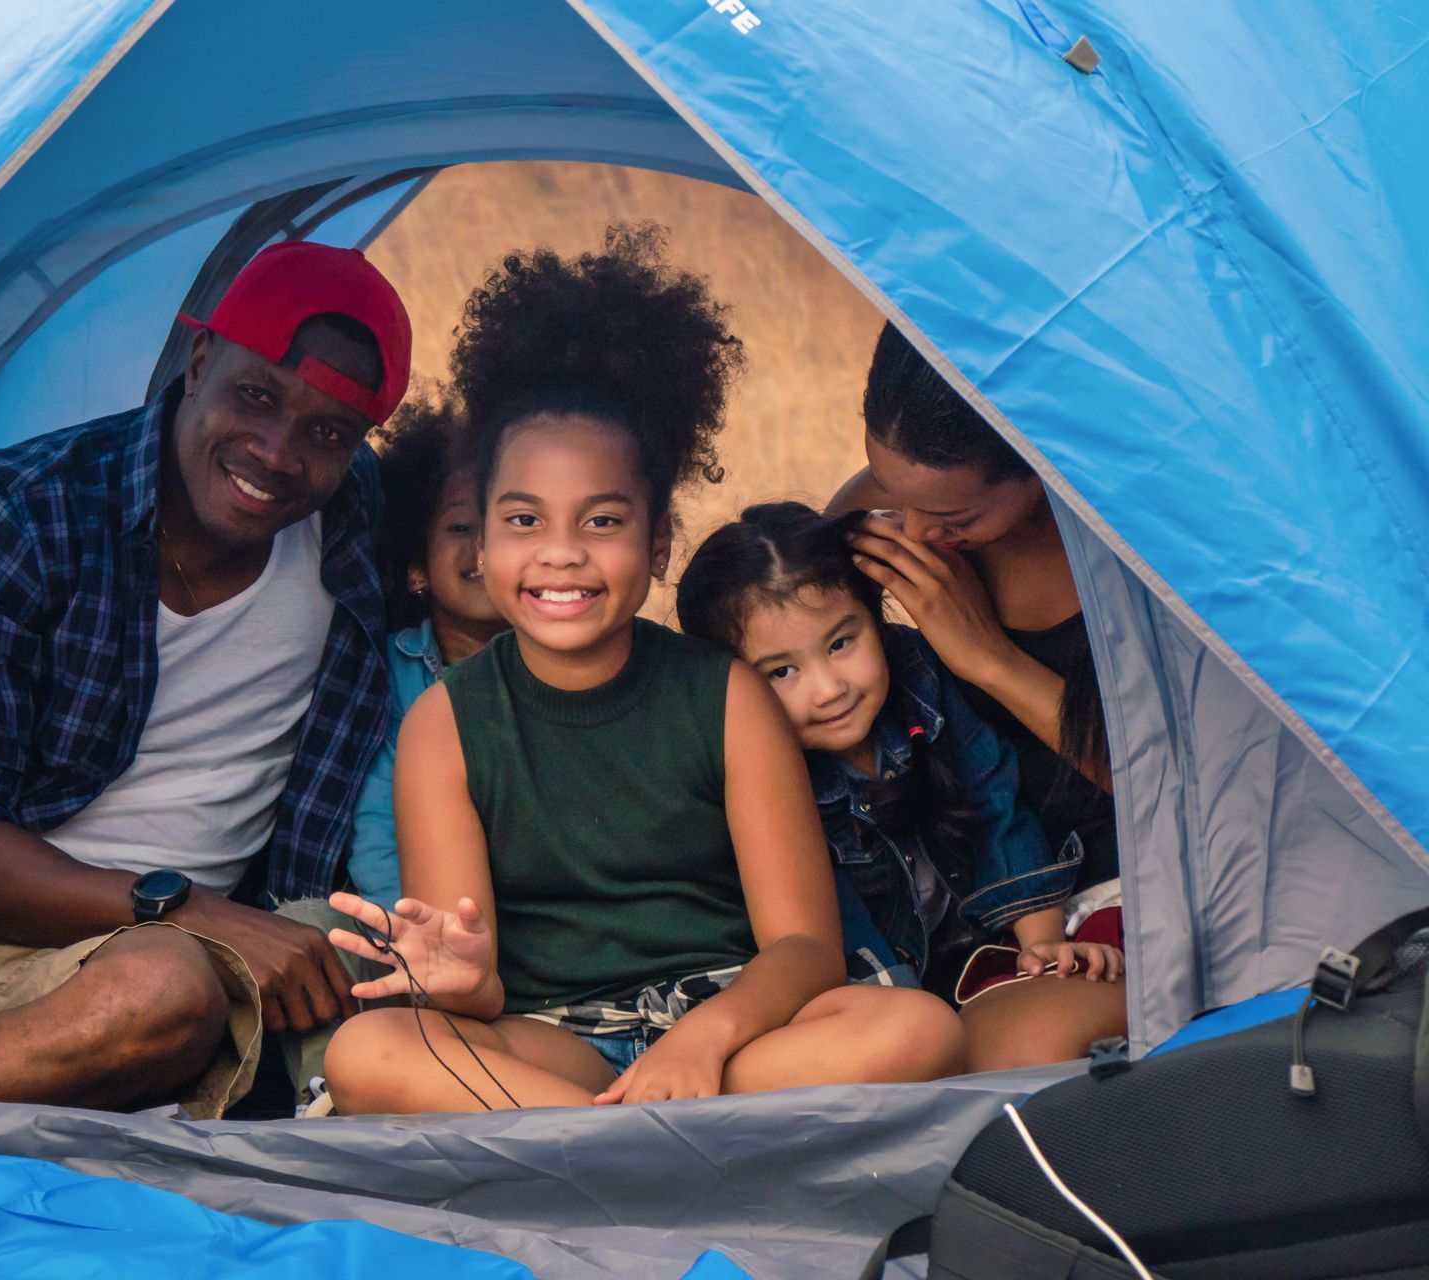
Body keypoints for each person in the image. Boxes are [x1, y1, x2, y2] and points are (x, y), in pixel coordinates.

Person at [321, 228, 964, 1115]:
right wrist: (459, 979)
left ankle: (602, 1144)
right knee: (370, 1051)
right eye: (520, 521)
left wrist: (702, 1040)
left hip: (734, 1035)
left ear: (658, 543)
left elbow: (805, 948)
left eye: (601, 522)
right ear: (480, 536)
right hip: (559, 1043)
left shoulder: (726, 696)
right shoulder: (445, 723)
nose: (559, 556)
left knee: (915, 1030)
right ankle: (652, 1136)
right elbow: (485, 992)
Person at [0, 241, 412, 1116]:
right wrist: (193, 911)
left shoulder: (362, 533)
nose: (278, 453)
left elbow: (520, 534)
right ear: (200, 358)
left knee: (166, 999)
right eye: (256, 396)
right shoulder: (18, 510)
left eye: (327, 432)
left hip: (100, 976)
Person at [676, 502, 1126, 1071]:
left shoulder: (920, 677)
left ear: (877, 619)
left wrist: (1041, 945)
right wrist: (906, 1028)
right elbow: (833, 930)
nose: (828, 688)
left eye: (841, 643)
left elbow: (996, 806)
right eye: (781, 671)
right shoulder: (760, 771)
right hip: (878, 1000)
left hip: (981, 953)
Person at [831, 323, 1118, 899]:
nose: (913, 530)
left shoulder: (1127, 548)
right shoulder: (869, 516)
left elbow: (1181, 781)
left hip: (1131, 876)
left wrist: (987, 658)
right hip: (968, 889)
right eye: (892, 490)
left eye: (956, 520)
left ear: (1043, 465)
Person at [346, 392, 507, 910]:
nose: (483, 547)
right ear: (417, 560)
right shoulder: (390, 674)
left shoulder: (565, 665)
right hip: (418, 923)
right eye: (460, 527)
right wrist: (412, 931)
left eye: (512, 523)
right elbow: (377, 823)